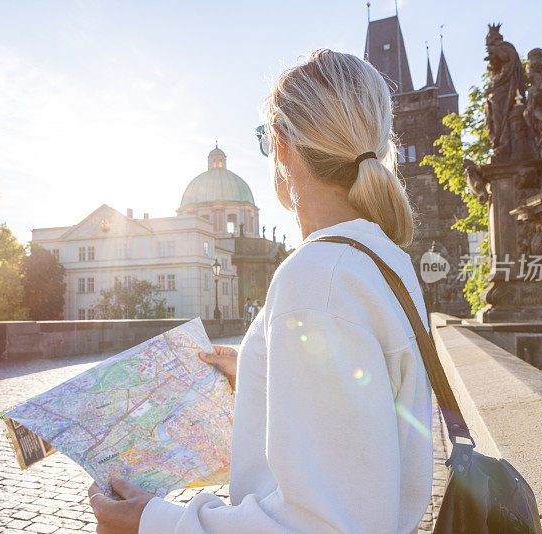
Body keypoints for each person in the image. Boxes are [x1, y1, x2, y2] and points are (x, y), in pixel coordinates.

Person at [87, 49, 432, 534]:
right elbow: (361, 425)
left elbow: (327, 526)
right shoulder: (379, 258)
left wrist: (152, 521)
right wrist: (260, 370)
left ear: (280, 143)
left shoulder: (318, 275)